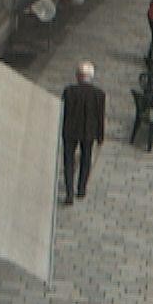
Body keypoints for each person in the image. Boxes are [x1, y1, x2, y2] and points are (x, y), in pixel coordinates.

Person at [60, 62, 105, 205]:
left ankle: (69, 193)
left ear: (78, 76)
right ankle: (81, 189)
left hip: (70, 130)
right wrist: (100, 135)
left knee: (69, 161)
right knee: (86, 160)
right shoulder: (99, 94)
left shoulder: (69, 91)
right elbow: (100, 116)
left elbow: (63, 112)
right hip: (88, 131)